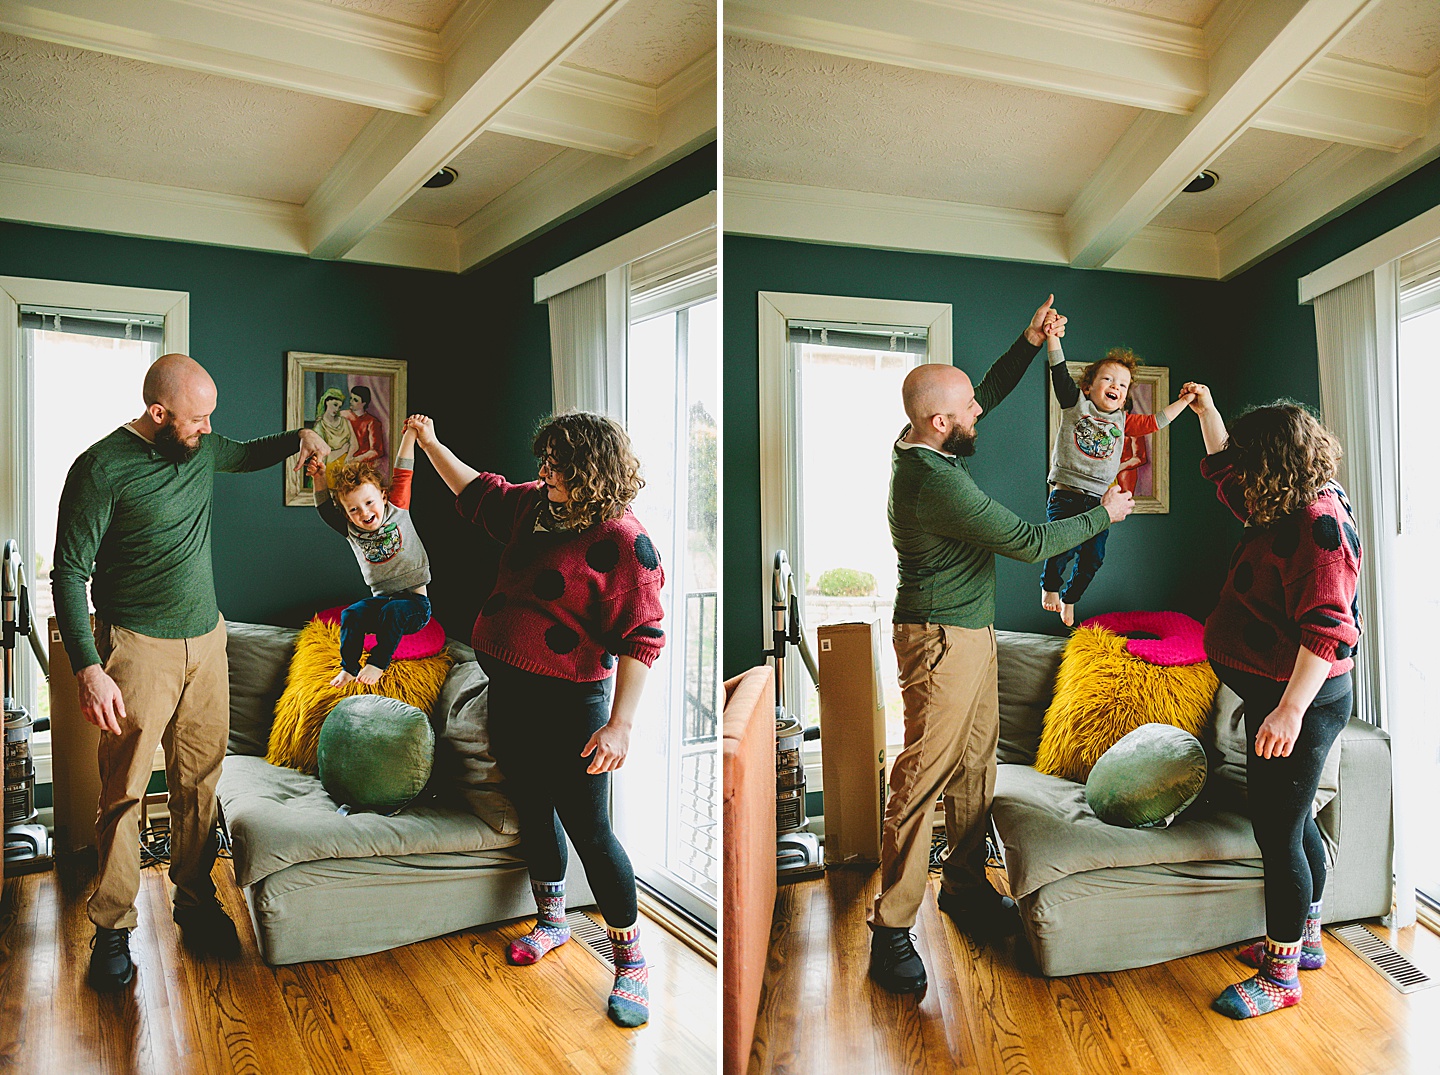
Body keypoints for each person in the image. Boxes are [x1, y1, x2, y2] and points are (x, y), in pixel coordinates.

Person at [870, 296, 1136, 996]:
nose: (979, 414)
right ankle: (890, 927)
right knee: (924, 774)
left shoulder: (927, 437)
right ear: (938, 423)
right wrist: (1103, 514)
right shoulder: (932, 484)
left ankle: (961, 885)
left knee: (977, 764)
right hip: (940, 639)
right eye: (966, 413)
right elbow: (1028, 541)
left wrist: (1028, 340)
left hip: (972, 632)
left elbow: (981, 391)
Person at [51, 353, 329, 992]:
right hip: (135, 649)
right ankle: (113, 927)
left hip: (207, 641)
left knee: (200, 781)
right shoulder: (100, 470)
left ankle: (196, 902)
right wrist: (90, 669)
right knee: (122, 792)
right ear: (158, 413)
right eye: (198, 419)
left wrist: (299, 439)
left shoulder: (198, 449)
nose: (208, 430)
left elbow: (250, 451)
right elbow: (69, 572)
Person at [408, 411, 664, 1028]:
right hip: (510, 692)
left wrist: (620, 724)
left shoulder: (625, 542)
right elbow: (478, 492)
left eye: (557, 463)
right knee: (531, 806)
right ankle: (553, 922)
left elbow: (644, 637)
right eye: (544, 459)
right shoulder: (533, 509)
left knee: (590, 828)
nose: (543, 470)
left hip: (572, 705)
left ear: (590, 471)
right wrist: (431, 443)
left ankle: (631, 960)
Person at [1184, 383, 1361, 1020]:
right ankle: (1306, 936)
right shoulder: (1279, 501)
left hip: (1303, 701)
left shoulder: (1320, 529)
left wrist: (1287, 711)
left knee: (1278, 831)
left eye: (1249, 465)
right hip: (1276, 693)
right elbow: (1227, 470)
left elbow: (1329, 630)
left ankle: (1282, 973)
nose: (1239, 479)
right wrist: (1209, 413)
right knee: (1294, 821)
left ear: (1276, 468)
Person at [1040, 337, 1196, 625]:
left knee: (1093, 559)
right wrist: (1053, 338)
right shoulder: (1076, 405)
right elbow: (1058, 370)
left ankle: (1070, 599)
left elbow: (1156, 422)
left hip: (1100, 502)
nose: (1115, 386)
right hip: (1067, 495)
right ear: (1088, 387)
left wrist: (1185, 401)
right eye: (1108, 379)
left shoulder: (1124, 422)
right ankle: (1050, 587)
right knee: (1062, 548)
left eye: (1122, 385)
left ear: (1125, 397)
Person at [308, 421, 430, 686]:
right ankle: (349, 668)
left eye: (369, 502)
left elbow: (403, 473)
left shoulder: (397, 509)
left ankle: (378, 663)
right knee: (351, 614)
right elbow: (325, 509)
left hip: (415, 605)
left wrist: (410, 434)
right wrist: (319, 477)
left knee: (395, 611)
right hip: (382, 602)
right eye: (353, 510)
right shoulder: (350, 529)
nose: (363, 513)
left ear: (383, 497)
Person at [313, 386, 357, 488]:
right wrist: (342, 450)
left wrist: (349, 456)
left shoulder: (345, 422)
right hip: (329, 469)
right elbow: (322, 457)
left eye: (339, 407)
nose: (337, 409)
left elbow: (355, 445)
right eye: (335, 405)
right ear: (326, 402)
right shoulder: (320, 427)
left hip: (347, 466)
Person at [345, 385, 385, 469]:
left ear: (364, 403)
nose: (351, 402)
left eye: (355, 400)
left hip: (360, 466)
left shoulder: (372, 422)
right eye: (351, 398)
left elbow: (376, 451)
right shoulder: (343, 415)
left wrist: (355, 460)